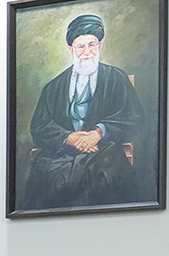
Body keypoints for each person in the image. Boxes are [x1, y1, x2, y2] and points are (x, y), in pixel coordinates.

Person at [23, 13, 146, 211]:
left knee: (106, 175)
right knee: (45, 176)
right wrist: (68, 137)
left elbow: (133, 117)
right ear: (71, 49)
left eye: (92, 45)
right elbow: (39, 126)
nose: (87, 52)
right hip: (62, 154)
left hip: (103, 151)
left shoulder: (116, 78)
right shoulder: (53, 87)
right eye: (80, 46)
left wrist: (99, 132)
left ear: (100, 46)